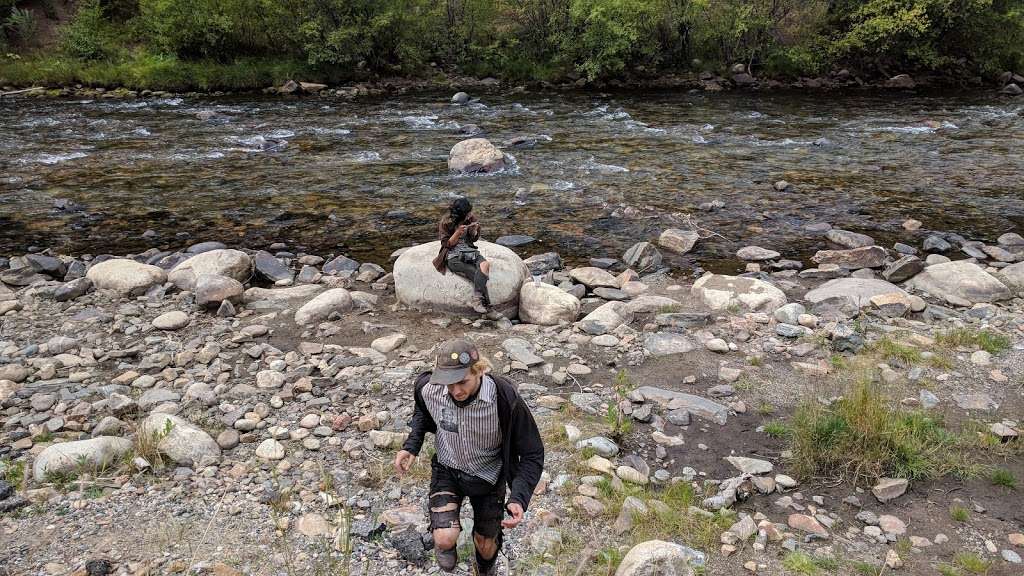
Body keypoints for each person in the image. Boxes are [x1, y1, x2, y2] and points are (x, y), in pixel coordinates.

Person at [394, 339, 545, 575]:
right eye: (449, 383)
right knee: (444, 539)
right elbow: (422, 411)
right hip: (447, 469)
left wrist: (519, 496)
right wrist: (412, 445)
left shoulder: (504, 398)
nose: (456, 391)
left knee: (485, 547)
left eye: (462, 382)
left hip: (488, 476)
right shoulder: (428, 388)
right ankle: (447, 550)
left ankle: (485, 568)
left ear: (480, 370)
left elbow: (532, 452)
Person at [433, 197, 492, 314]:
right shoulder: (446, 223)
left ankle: (476, 299)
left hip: (469, 251)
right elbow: (447, 245)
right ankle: (489, 306)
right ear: (461, 215)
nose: (470, 214)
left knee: (485, 265)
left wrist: (475, 230)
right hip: (453, 255)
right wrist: (457, 233)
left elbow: (473, 239)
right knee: (477, 274)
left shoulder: (470, 218)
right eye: (468, 213)